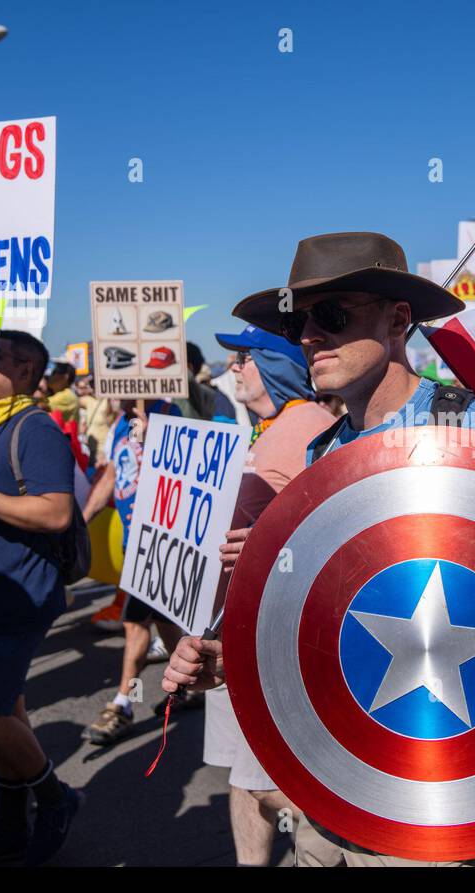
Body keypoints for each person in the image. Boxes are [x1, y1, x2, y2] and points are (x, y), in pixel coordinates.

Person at [163, 231, 475, 867]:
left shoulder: (470, 430)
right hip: (334, 775)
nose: (307, 337)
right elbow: (327, 618)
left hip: (432, 772)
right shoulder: (319, 453)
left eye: (331, 315)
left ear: (398, 318)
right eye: (300, 321)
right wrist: (231, 649)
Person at [0, 331, 84, 867]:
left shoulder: (34, 428)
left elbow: (55, 513)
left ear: (25, 371)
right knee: (8, 715)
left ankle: (57, 800)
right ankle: (7, 830)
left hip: (15, 599)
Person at [201, 324, 337, 865]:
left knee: (264, 781)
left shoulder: (315, 429)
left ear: (275, 366)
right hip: (232, 630)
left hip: (273, 637)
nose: (232, 367)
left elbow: (335, 533)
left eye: (244, 358)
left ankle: (380, 835)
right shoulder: (266, 428)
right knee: (240, 773)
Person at [81, 396, 186, 745]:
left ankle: (123, 704)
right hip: (133, 542)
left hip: (161, 542)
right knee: (163, 619)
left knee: (134, 621)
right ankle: (189, 684)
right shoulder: (119, 423)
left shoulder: (170, 413)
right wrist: (82, 520)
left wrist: (153, 431)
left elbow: (182, 469)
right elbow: (113, 474)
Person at [44, 361, 79, 426]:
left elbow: (41, 405)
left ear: (65, 377)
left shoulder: (67, 395)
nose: (50, 377)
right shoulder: (57, 394)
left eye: (54, 373)